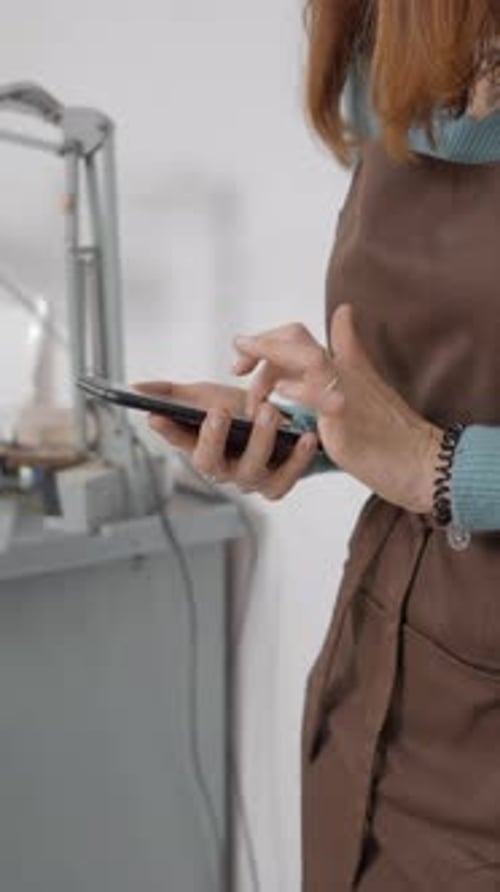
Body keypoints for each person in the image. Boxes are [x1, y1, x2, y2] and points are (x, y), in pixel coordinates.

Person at [138, 1, 500, 888]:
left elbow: (428, 449)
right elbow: (418, 402)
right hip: (374, 695)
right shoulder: (395, 71)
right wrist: (312, 431)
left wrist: (436, 466)